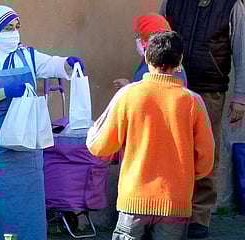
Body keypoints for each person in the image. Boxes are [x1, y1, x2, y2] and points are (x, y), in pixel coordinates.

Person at [0, 5, 85, 240]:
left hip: (23, 155)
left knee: (23, 212)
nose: (14, 33)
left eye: (16, 27)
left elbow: (52, 64)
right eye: (7, 28)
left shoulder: (28, 55)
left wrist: (68, 63)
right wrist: (4, 91)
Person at [86, 31, 214, 240]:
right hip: (175, 203)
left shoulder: (128, 95)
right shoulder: (193, 102)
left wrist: (91, 132)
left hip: (133, 200)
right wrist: (187, 175)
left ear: (146, 58)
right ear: (180, 61)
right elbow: (206, 159)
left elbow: (99, 145)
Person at [160, 0, 245, 237]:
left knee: (206, 153)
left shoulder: (231, 5)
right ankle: (168, 212)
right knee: (170, 151)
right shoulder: (172, 2)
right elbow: (157, 40)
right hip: (171, 87)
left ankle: (200, 217)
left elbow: (242, 50)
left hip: (210, 90)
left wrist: (240, 97)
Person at [113, 13, 187, 89]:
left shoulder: (156, 67)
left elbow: (152, 94)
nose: (138, 40)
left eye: (140, 36)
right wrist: (129, 85)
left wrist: (129, 89)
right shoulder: (172, 62)